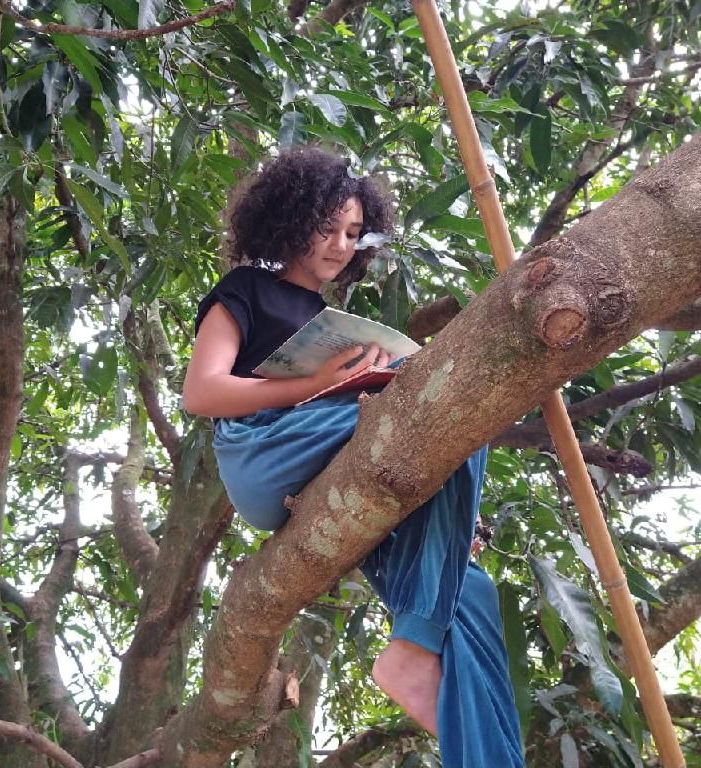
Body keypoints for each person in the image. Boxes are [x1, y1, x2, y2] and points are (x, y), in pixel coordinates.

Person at [183, 147, 524, 767]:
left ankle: (475, 738)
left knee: (470, 593)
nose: (340, 245)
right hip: (261, 452)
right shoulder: (246, 291)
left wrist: (450, 510)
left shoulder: (332, 320)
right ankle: (416, 641)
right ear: (289, 219)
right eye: (326, 228)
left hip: (325, 461)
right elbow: (201, 392)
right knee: (446, 402)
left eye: (352, 233)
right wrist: (317, 385)